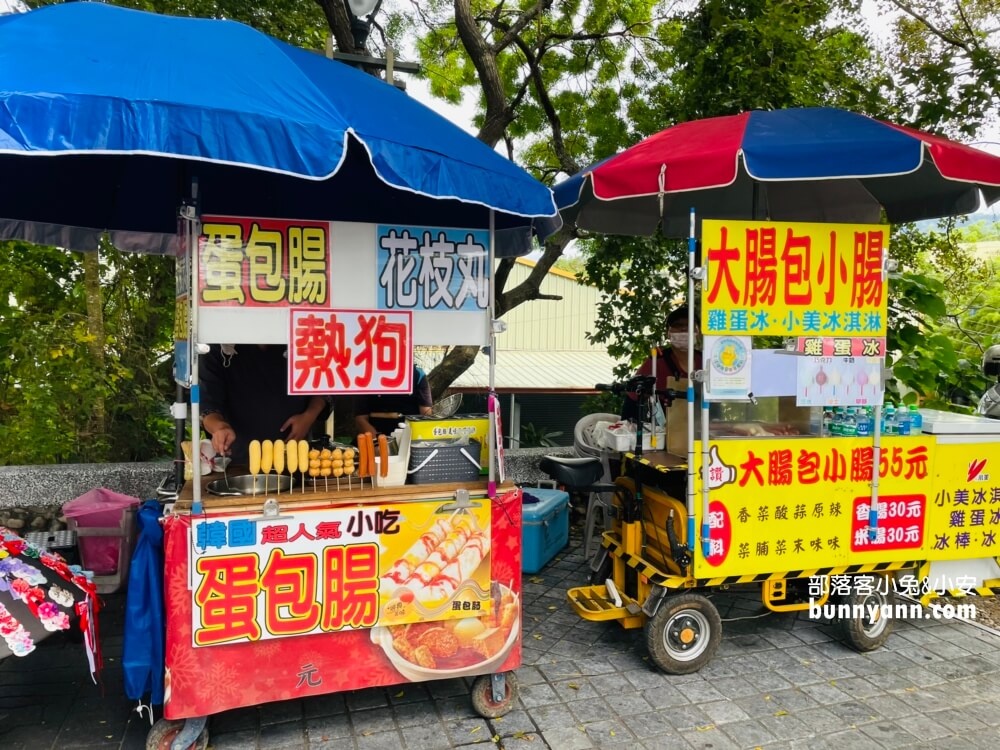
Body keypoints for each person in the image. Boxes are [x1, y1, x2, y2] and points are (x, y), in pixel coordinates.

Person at [199, 344, 328, 464]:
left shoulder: (300, 337)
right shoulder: (219, 346)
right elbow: (208, 404)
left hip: (295, 454)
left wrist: (309, 416)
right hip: (238, 460)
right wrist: (219, 427)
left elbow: (325, 382)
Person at [621, 305, 702, 423]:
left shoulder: (705, 361)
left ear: (698, 332)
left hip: (702, 430)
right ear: (668, 333)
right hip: (664, 432)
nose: (684, 330)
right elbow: (632, 400)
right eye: (678, 326)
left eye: (690, 326)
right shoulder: (656, 362)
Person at [355, 365, 433, 436]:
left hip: (410, 435)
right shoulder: (364, 374)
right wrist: (377, 443)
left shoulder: (418, 374)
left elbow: (426, 415)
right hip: (375, 435)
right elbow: (360, 418)